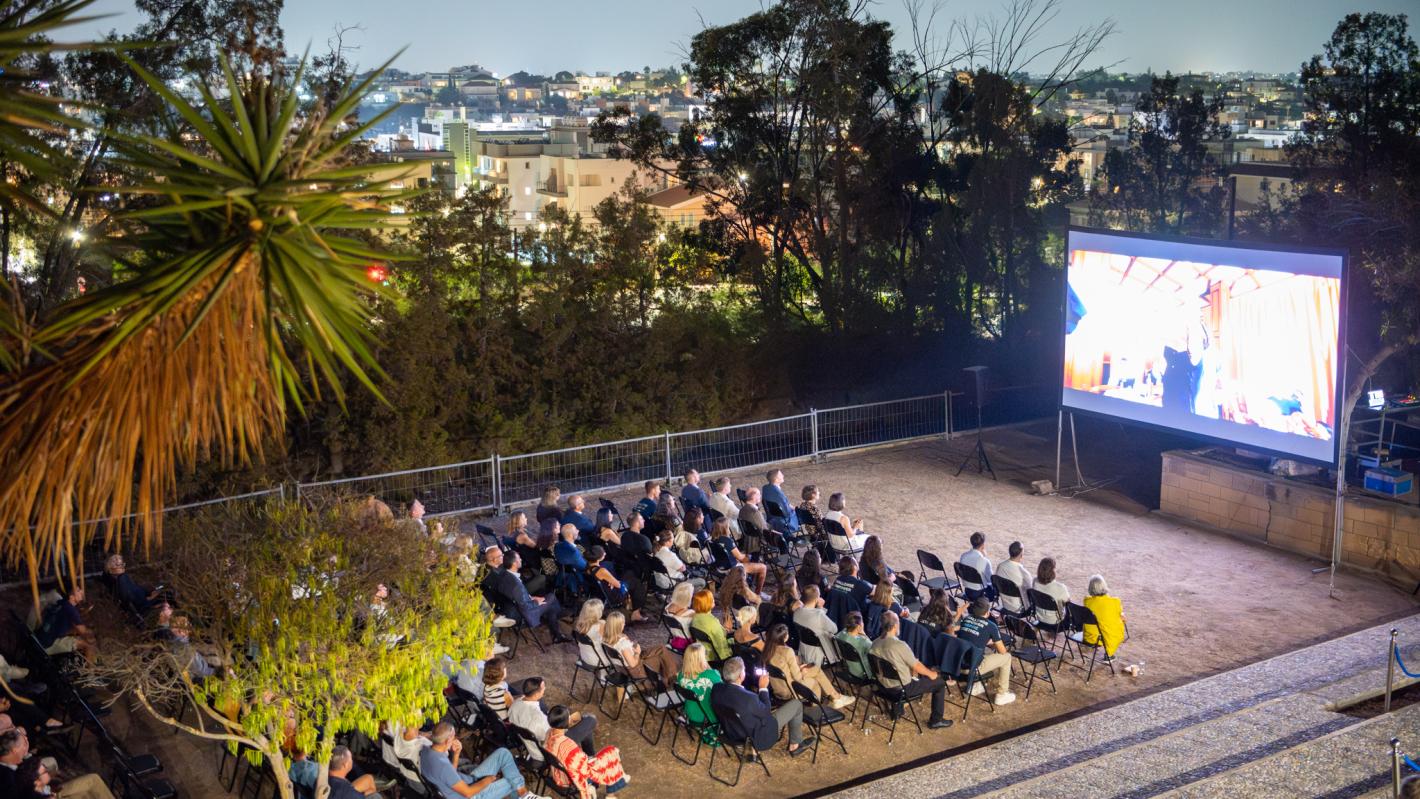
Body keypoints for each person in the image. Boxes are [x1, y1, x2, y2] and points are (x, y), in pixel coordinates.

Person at [709, 657, 814, 757]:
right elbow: (766, 712)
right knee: (796, 704)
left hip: (731, 734)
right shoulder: (749, 698)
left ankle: (748, 748)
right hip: (758, 738)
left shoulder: (716, 689)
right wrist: (763, 688)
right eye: (744, 670)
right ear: (741, 675)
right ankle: (795, 745)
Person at [870, 613, 954, 729]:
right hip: (901, 690)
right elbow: (916, 666)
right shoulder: (899, 645)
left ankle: (897, 711)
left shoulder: (874, 643)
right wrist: (932, 674)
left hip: (882, 686)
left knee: (898, 672)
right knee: (940, 683)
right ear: (895, 626)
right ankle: (936, 720)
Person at [419, 722, 545, 799]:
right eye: (453, 737)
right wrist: (488, 780)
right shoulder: (442, 766)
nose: (456, 738)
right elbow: (468, 793)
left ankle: (523, 795)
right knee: (513, 781)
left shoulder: (426, 751)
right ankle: (523, 795)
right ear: (447, 741)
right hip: (471, 794)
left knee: (503, 753)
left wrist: (456, 754)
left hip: (466, 781)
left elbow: (449, 774)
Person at [762, 623, 853, 710]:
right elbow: (797, 677)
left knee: (816, 670)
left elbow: (783, 670)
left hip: (778, 689)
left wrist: (800, 668)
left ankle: (835, 698)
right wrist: (802, 670)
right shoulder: (787, 651)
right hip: (791, 690)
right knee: (815, 682)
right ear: (784, 637)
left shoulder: (767, 649)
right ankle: (817, 709)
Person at [543, 705, 628, 798]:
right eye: (569, 716)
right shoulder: (568, 745)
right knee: (611, 752)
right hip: (571, 780)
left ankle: (609, 782)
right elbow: (583, 769)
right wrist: (594, 759)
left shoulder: (549, 733)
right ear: (566, 722)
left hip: (559, 775)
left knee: (590, 735)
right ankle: (610, 794)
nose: (570, 717)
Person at [509, 677, 597, 760]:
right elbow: (553, 736)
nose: (545, 688)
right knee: (590, 720)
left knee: (585, 727)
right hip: (549, 751)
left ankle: (590, 756)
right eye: (543, 687)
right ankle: (591, 756)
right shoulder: (538, 719)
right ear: (536, 694)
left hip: (530, 741)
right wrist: (567, 723)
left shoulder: (515, 705)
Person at [498, 550, 570, 643]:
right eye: (519, 558)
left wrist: (531, 597)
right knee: (552, 597)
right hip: (526, 613)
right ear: (514, 563)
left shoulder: (504, 574)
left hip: (514, 606)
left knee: (544, 596)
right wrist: (536, 602)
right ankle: (557, 619)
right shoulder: (516, 585)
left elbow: (517, 596)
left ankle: (556, 633)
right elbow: (526, 606)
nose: (521, 559)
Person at [956, 598, 1016, 705]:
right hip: (972, 670)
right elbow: (1002, 651)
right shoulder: (991, 626)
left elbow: (971, 637)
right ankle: (1002, 694)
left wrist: (984, 641)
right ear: (988, 613)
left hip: (957, 666)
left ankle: (976, 686)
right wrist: (993, 642)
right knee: (1007, 657)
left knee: (977, 649)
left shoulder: (966, 619)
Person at [602, 611, 681, 683]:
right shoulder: (622, 644)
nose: (624, 624)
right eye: (623, 623)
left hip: (623, 665)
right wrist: (637, 653)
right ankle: (673, 678)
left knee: (661, 648)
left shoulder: (606, 639)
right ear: (618, 626)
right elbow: (633, 664)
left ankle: (670, 677)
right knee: (660, 658)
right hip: (636, 670)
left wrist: (632, 646)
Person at [586, 545, 646, 622]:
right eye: (603, 553)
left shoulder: (587, 568)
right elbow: (619, 585)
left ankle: (631, 605)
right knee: (636, 583)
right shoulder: (602, 571)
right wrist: (614, 582)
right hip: (614, 596)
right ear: (599, 558)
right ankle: (636, 613)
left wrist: (611, 581)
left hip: (600, 593)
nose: (605, 553)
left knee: (629, 574)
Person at [676, 643, 722, 740]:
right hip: (708, 717)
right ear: (702, 658)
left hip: (690, 715)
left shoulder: (680, 675)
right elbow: (723, 692)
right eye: (704, 654)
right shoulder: (713, 675)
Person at [36, 583, 94, 660]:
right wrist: (92, 634)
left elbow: (63, 626)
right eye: (78, 590)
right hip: (46, 645)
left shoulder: (62, 603)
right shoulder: (71, 610)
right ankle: (89, 667)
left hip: (38, 638)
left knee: (74, 635)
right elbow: (84, 633)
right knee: (88, 646)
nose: (82, 591)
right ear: (71, 597)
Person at [15, 756, 116, 799]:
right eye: (45, 772)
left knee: (89, 787)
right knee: (92, 783)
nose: (48, 771)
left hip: (54, 793)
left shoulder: (34, 788)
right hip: (56, 795)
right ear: (36, 781)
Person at [710, 519, 766, 592]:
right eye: (728, 527)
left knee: (748, 561)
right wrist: (748, 556)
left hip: (720, 568)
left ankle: (747, 585)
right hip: (732, 569)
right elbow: (741, 557)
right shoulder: (727, 541)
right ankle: (757, 594)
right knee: (763, 567)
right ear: (725, 528)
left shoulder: (712, 540)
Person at [1081, 575, 1127, 660]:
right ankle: (1109, 655)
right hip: (1101, 637)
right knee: (1118, 621)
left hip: (1089, 637)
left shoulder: (1087, 601)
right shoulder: (1115, 602)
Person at [792, 584, 839, 666]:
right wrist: (820, 608)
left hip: (804, 649)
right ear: (817, 599)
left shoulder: (796, 612)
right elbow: (834, 629)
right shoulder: (819, 615)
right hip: (820, 653)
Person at [689, 589, 731, 661]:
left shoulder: (694, 618)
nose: (713, 600)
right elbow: (721, 644)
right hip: (714, 656)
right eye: (711, 599)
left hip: (702, 653)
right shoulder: (713, 622)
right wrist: (727, 629)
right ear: (706, 603)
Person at [996, 541, 1034, 614]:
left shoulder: (1000, 566)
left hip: (1005, 604)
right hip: (1019, 608)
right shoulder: (1024, 573)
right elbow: (1031, 592)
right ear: (1021, 555)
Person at [833, 611, 873, 680]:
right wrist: (864, 634)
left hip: (847, 667)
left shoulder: (840, 635)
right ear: (859, 626)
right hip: (861, 673)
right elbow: (873, 650)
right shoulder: (864, 642)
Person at [958, 532, 996, 600]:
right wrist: (984, 557)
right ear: (983, 545)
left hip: (967, 590)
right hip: (981, 593)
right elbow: (990, 580)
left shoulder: (963, 556)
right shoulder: (985, 561)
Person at [1034, 557, 1071, 627]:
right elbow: (1068, 604)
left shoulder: (1035, 581)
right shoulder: (1061, 588)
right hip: (1056, 622)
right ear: (1053, 571)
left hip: (1040, 618)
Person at [761, 469, 799, 533]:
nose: (783, 476)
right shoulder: (779, 494)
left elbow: (785, 504)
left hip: (771, 518)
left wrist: (791, 506)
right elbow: (787, 513)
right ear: (776, 479)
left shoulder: (765, 488)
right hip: (783, 522)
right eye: (781, 475)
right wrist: (795, 510)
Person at [573, 600, 608, 666]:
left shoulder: (579, 624)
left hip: (584, 658)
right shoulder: (601, 624)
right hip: (599, 660)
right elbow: (608, 643)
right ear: (597, 613)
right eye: (601, 610)